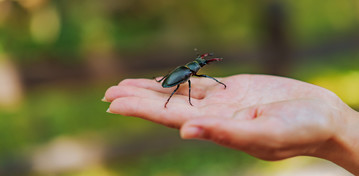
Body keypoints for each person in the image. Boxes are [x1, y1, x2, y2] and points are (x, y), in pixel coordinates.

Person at [103, 74, 359, 175]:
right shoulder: (188, 76)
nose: (200, 68)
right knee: (185, 87)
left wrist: (341, 126)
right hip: (171, 81)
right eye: (199, 66)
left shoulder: (190, 72)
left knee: (185, 86)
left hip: (172, 78)